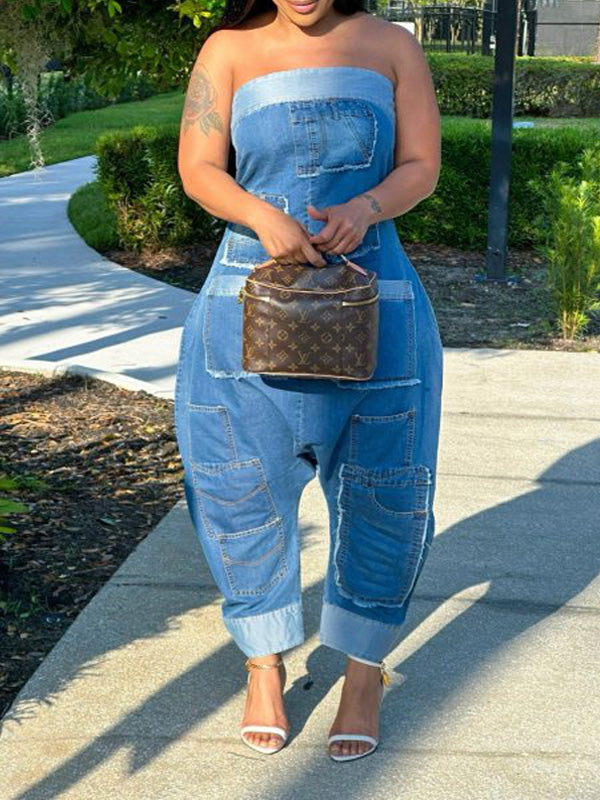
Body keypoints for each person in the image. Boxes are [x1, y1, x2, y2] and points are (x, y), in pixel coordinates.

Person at [175, 0, 443, 762]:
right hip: (246, 303)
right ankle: (263, 664)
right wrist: (263, 217)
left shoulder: (392, 47)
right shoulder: (227, 49)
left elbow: (422, 165)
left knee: (385, 494)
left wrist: (366, 206)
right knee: (238, 490)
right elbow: (198, 168)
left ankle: (362, 673)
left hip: (376, 304)